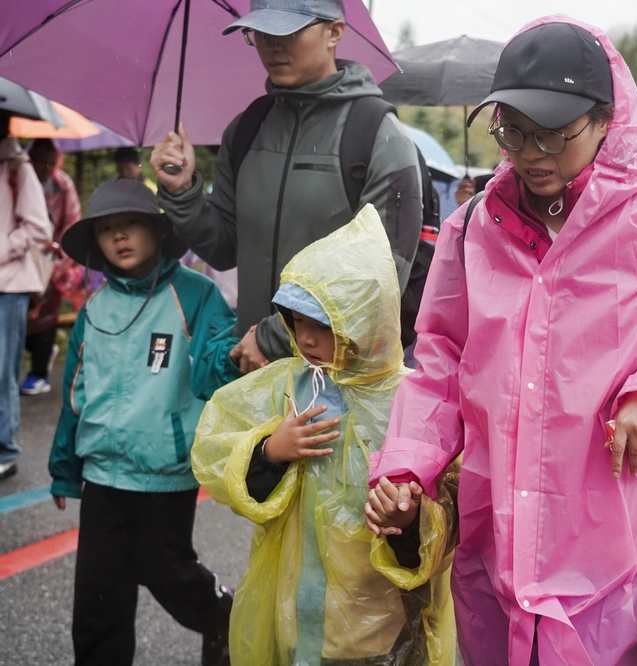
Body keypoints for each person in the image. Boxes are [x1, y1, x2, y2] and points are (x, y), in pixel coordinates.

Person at [364, 17, 637, 665]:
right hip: (492, 545)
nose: (531, 153)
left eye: (552, 134)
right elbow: (440, 365)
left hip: (611, 556)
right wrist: (405, 467)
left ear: (606, 120)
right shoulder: (470, 230)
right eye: (512, 131)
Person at [191, 207, 456, 666]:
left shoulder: (413, 400)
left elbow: (451, 508)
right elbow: (218, 450)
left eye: (324, 325)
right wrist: (269, 451)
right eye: (298, 322)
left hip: (378, 620)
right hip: (294, 606)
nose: (306, 339)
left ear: (366, 321)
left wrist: (411, 518)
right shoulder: (287, 385)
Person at [151, 0, 423, 376]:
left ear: (334, 32)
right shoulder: (246, 129)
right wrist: (182, 193)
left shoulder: (378, 135)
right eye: (262, 33)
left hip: (340, 383)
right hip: (252, 371)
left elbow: (380, 277)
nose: (273, 46)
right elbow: (224, 248)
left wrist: (273, 338)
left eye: (289, 31)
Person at [48, 179, 240, 665]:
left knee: (168, 572)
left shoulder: (196, 294)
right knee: (98, 594)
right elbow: (75, 393)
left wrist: (237, 356)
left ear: (160, 230)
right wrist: (64, 467)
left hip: (164, 471)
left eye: (131, 223)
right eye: (106, 229)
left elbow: (217, 367)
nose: (119, 236)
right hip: (102, 474)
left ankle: (226, 618)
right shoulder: (95, 306)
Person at [0, 119, 52, 481]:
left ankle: (4, 449)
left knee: (3, 370)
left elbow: (38, 227)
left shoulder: (18, 167)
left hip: (8, 286)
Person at [21, 139, 83, 396]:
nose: (45, 168)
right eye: (41, 162)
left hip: (50, 260)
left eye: (50, 163)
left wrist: (61, 262)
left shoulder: (62, 184)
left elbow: (71, 220)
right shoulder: (19, 178)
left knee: (46, 316)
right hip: (21, 256)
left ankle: (39, 373)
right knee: (21, 314)